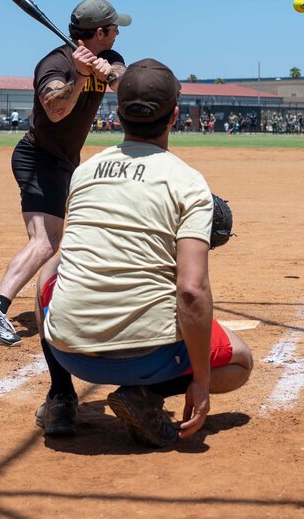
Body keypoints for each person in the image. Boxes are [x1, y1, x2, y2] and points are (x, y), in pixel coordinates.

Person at [40, 59, 253, 447]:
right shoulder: (188, 182)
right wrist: (202, 384)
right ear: (174, 115)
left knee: (50, 268)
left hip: (69, 352)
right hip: (146, 357)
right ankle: (146, 395)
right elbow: (191, 290)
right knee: (240, 360)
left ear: (117, 113)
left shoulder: (85, 171)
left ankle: (60, 395)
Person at [0, 0, 127, 428]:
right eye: (113, 29)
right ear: (98, 31)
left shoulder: (109, 56)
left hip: (65, 162)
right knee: (46, 242)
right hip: (38, 158)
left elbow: (127, 87)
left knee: (55, 241)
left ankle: (5, 304)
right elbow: (55, 109)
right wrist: (79, 77)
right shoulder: (54, 64)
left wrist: (108, 73)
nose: (118, 36)